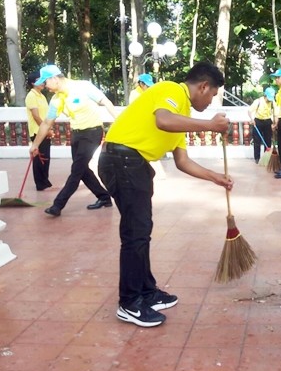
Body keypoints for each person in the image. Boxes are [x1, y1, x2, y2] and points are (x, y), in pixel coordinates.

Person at [98, 61, 233, 327]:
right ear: (203, 86)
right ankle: (129, 303)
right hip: (122, 160)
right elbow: (163, 120)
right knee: (135, 233)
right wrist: (209, 125)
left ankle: (147, 291)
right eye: (213, 95)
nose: (211, 102)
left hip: (133, 164)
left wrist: (215, 177)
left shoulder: (180, 113)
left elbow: (183, 161)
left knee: (142, 230)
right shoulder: (171, 90)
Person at [29, 65, 116, 217]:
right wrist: (35, 145)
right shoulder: (56, 100)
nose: (44, 85)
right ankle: (104, 197)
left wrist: (120, 122)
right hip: (76, 134)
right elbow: (46, 123)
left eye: (45, 82)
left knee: (76, 171)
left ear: (55, 79)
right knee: (82, 170)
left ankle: (58, 205)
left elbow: (106, 102)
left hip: (92, 132)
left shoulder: (83, 86)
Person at [25, 71, 53, 191]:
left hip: (44, 130)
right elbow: (36, 116)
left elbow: (45, 115)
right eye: (39, 80)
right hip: (37, 131)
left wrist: (48, 128)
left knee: (46, 157)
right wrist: (45, 129)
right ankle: (40, 183)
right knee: (39, 157)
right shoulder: (31, 96)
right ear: (33, 83)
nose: (43, 82)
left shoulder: (42, 96)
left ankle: (45, 180)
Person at [248, 87, 277, 163]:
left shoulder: (272, 102)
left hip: (268, 121)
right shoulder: (258, 101)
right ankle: (257, 158)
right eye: (269, 98)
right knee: (257, 140)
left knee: (267, 141)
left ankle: (266, 158)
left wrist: (274, 124)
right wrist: (252, 120)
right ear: (265, 95)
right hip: (258, 121)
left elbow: (275, 113)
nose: (270, 99)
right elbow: (249, 111)